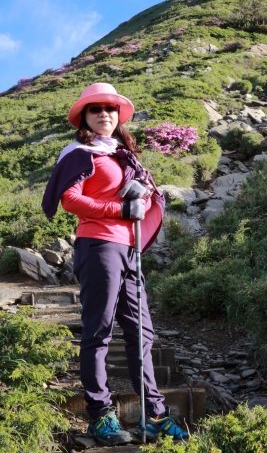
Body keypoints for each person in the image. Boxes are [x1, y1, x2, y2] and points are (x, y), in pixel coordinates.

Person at [42, 83, 188, 446]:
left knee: (142, 332)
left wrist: (143, 190)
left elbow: (143, 196)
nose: (104, 113)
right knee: (99, 331)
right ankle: (100, 416)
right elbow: (70, 200)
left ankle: (154, 415)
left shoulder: (123, 155)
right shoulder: (80, 153)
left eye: (110, 108)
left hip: (129, 249)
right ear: (84, 118)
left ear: (119, 115)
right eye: (95, 109)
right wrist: (120, 208)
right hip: (98, 246)